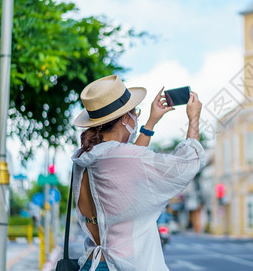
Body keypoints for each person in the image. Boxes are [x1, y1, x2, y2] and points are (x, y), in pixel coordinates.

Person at [71, 75, 205, 271]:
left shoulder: (84, 159)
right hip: (122, 265)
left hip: (90, 262)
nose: (136, 118)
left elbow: (126, 165)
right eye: (136, 113)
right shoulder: (122, 158)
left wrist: (151, 122)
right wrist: (194, 119)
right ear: (125, 118)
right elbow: (189, 162)